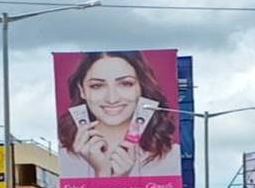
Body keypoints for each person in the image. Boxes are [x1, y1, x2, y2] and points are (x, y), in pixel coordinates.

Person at [56, 51, 181, 179]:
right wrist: (103, 173)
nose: (112, 99)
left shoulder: (171, 157)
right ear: (82, 91)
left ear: (141, 88)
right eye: (97, 86)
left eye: (126, 84)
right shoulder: (63, 159)